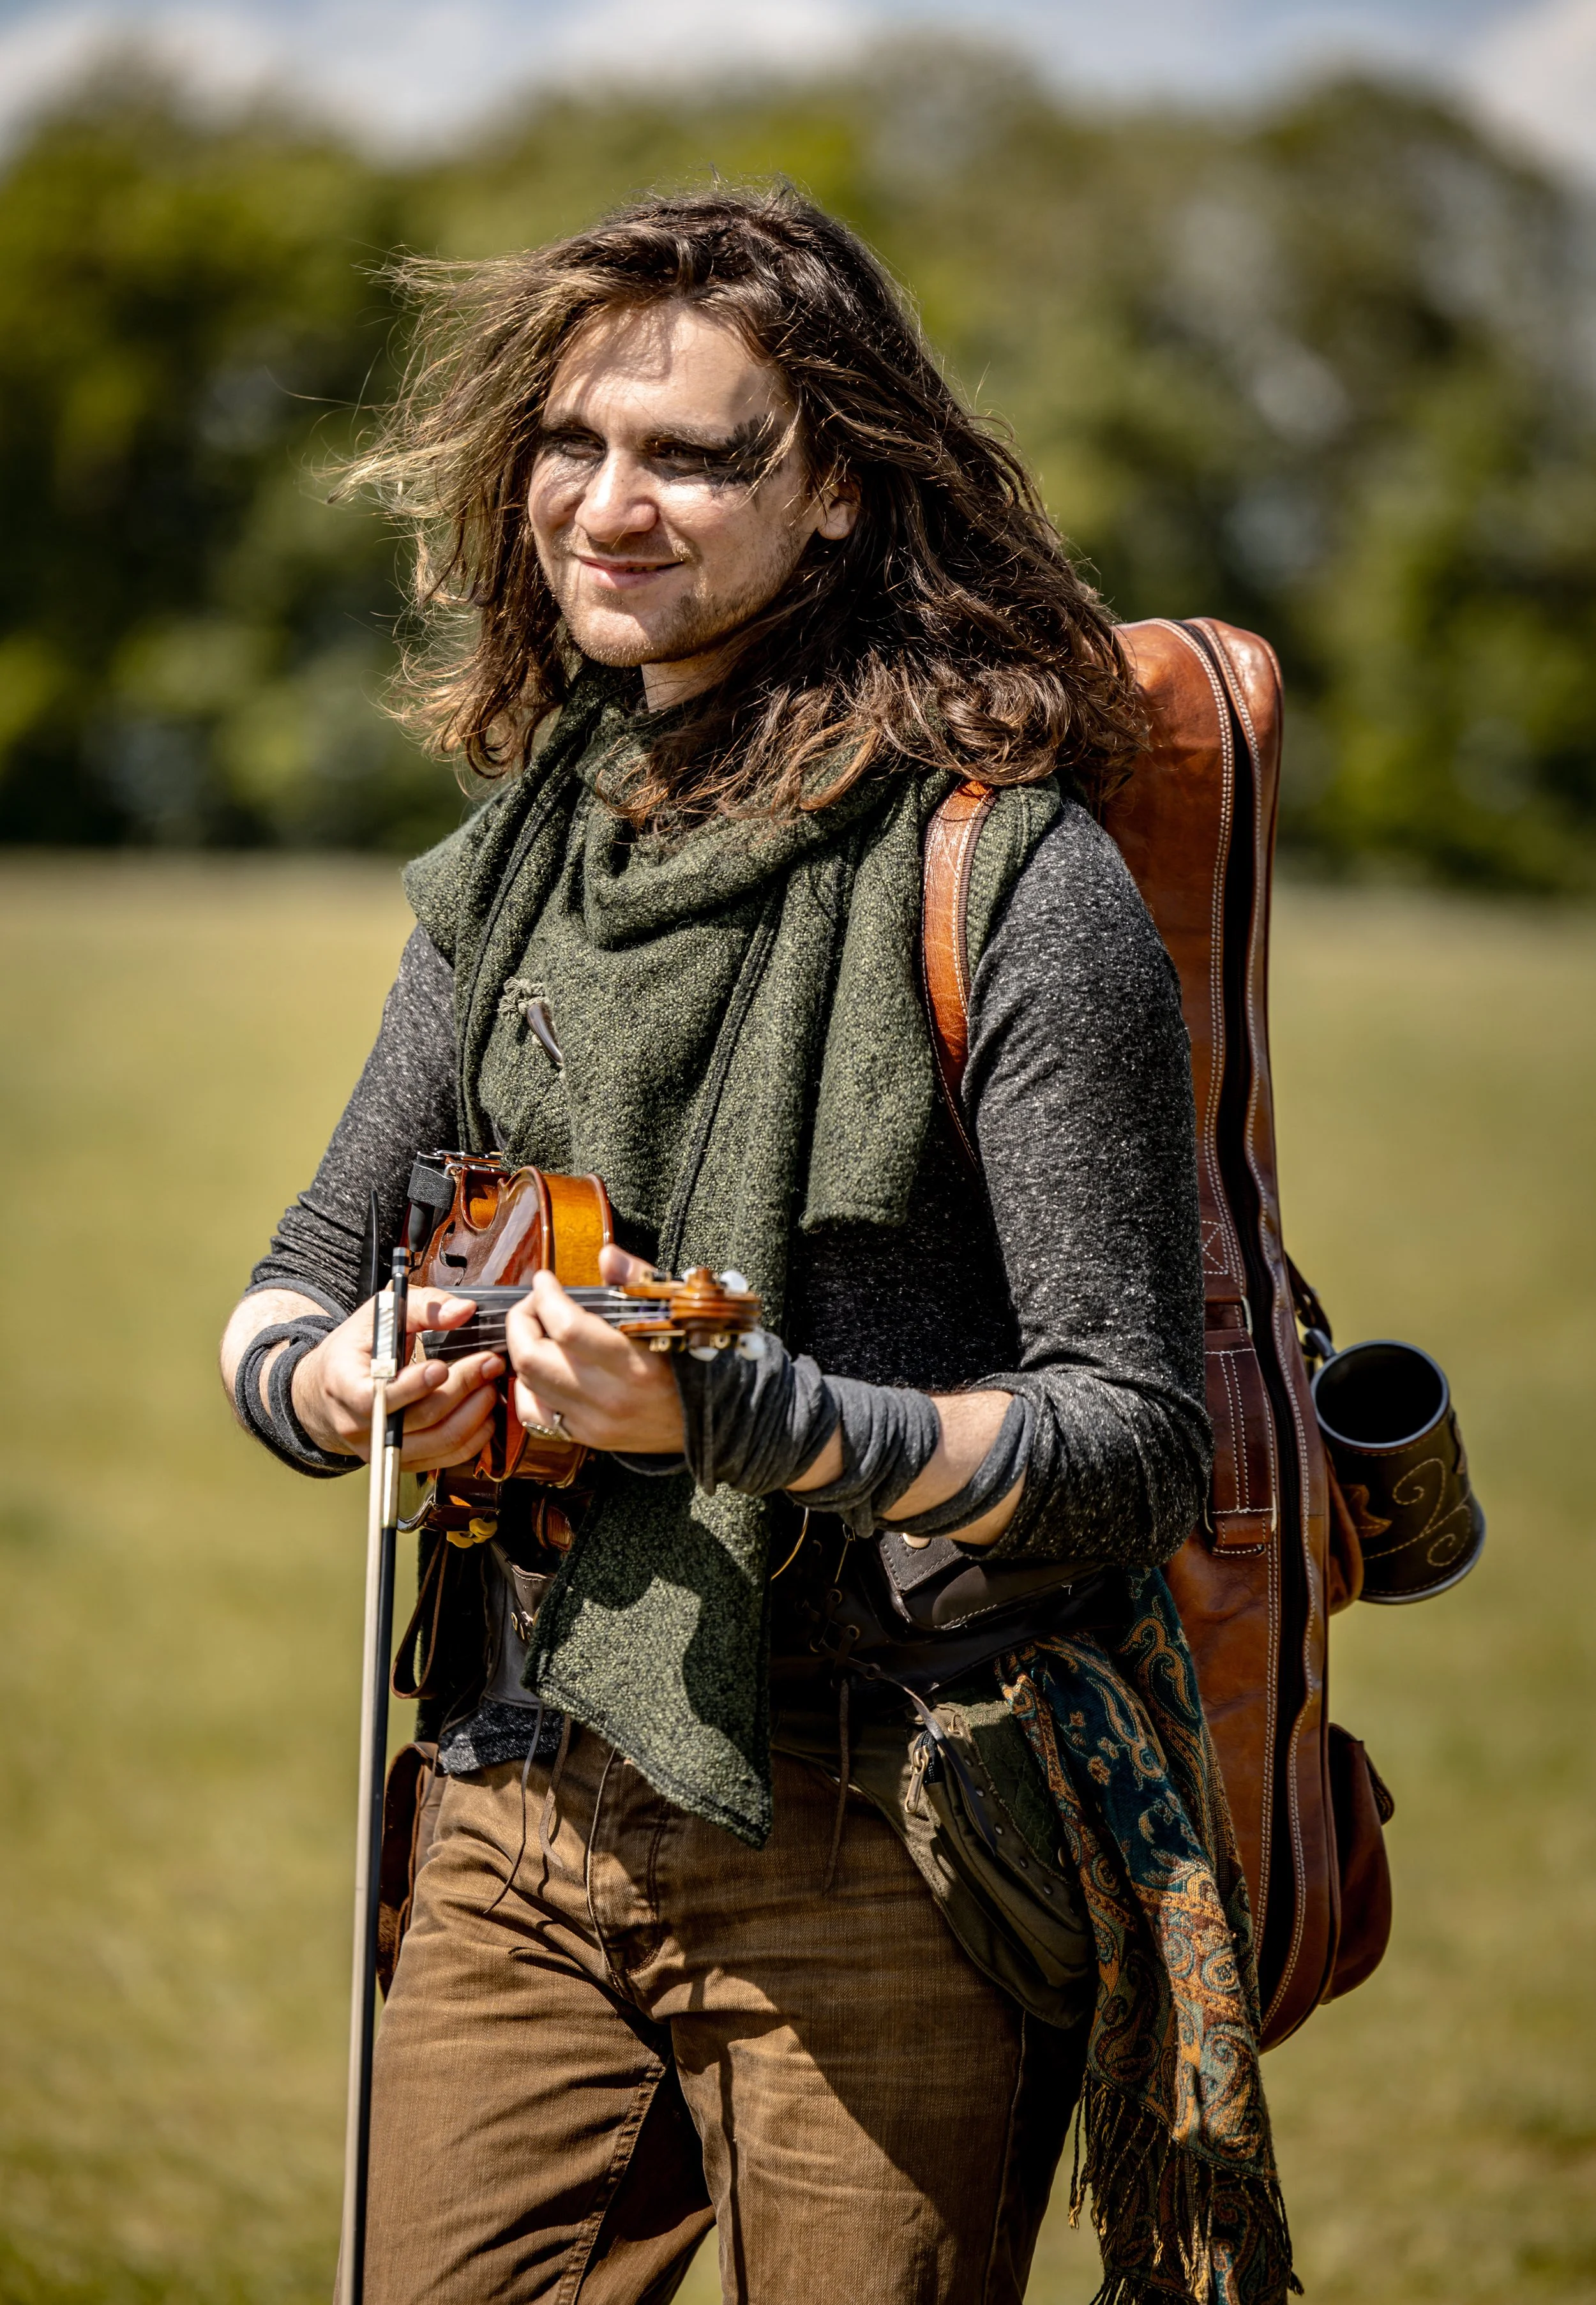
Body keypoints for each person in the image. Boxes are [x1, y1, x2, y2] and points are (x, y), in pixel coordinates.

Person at [222, 188, 1292, 2305]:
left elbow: (1124, 1440)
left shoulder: (1013, 878)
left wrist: (730, 1411)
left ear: (835, 500)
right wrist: (341, 1379)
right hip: (513, 1791)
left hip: (876, 1832)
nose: (609, 506)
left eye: (694, 456)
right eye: (572, 441)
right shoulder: (524, 850)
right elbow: (294, 1277)